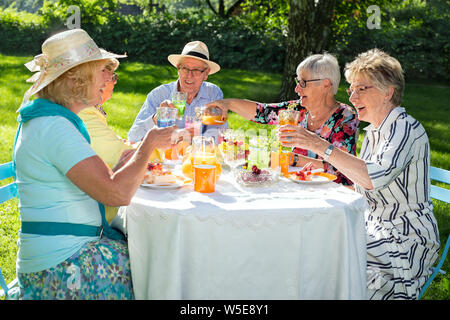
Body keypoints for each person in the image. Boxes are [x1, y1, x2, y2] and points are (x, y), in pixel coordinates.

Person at [13, 29, 176, 300]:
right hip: (60, 267)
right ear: (77, 79)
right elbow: (116, 193)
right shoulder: (54, 127)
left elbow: (107, 182)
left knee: (153, 257)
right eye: (102, 71)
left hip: (64, 254)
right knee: (159, 268)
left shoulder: (50, 120)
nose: (108, 79)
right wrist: (148, 145)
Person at [278, 49, 440, 299]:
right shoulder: (375, 132)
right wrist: (323, 165)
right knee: (313, 237)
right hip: (375, 226)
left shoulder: (405, 128)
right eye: (351, 89)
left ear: (388, 92)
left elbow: (372, 178)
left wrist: (320, 145)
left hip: (406, 237)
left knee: (325, 248)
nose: (352, 97)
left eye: (361, 88)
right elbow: (361, 176)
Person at [208, 53, 359, 186]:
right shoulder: (296, 110)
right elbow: (262, 112)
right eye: (297, 82)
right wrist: (227, 104)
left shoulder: (345, 117)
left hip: (332, 193)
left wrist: (293, 159)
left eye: (303, 83)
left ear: (325, 84)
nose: (297, 89)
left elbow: (341, 170)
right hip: (296, 186)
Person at [127, 40, 226, 144]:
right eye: (185, 68)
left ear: (206, 74)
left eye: (196, 70)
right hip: (165, 158)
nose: (189, 75)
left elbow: (219, 136)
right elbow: (133, 138)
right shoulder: (159, 95)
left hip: (198, 158)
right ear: (178, 69)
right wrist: (156, 118)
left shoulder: (213, 94)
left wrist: (195, 139)